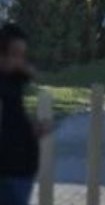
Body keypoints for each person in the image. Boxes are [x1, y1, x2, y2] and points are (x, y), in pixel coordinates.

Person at [0, 24, 45, 205]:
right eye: (14, 54)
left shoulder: (13, 79)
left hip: (22, 170)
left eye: (22, 55)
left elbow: (28, 73)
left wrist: (32, 129)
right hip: (8, 172)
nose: (20, 60)